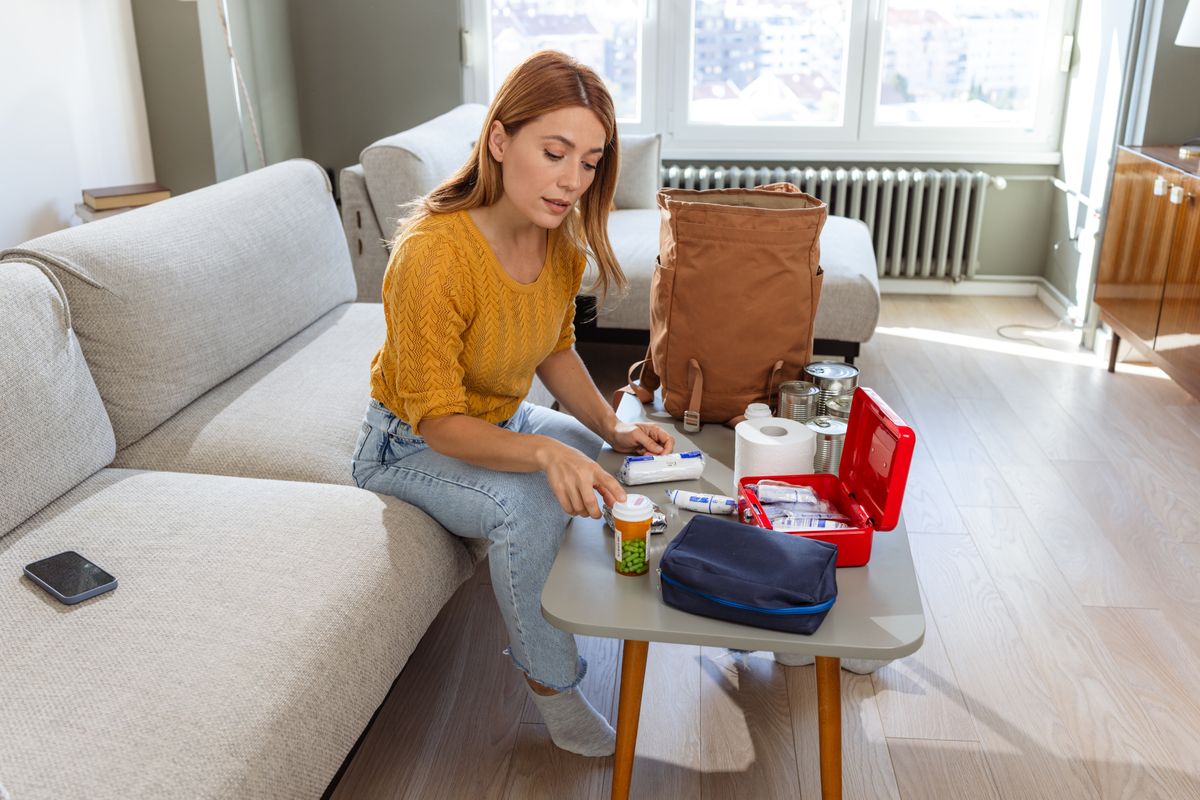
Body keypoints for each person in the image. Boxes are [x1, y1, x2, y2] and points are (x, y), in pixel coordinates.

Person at [350, 50, 674, 758]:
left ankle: (574, 586)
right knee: (526, 502)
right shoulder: (434, 256)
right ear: (500, 141)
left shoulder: (558, 241)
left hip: (497, 415)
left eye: (589, 162)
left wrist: (614, 428)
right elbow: (437, 421)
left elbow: (554, 352)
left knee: (591, 457)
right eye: (554, 152)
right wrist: (539, 451)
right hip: (407, 443)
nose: (571, 180)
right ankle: (552, 685)